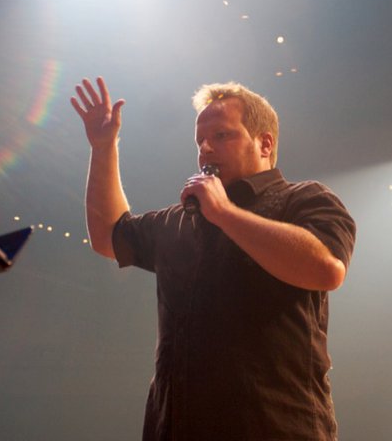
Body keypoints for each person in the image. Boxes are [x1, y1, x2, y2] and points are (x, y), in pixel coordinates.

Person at [71, 77, 356, 441]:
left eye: (221, 135)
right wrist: (103, 147)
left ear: (265, 143)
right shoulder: (180, 220)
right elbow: (107, 237)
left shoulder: (304, 199)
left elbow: (326, 268)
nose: (205, 148)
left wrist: (224, 213)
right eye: (200, 141)